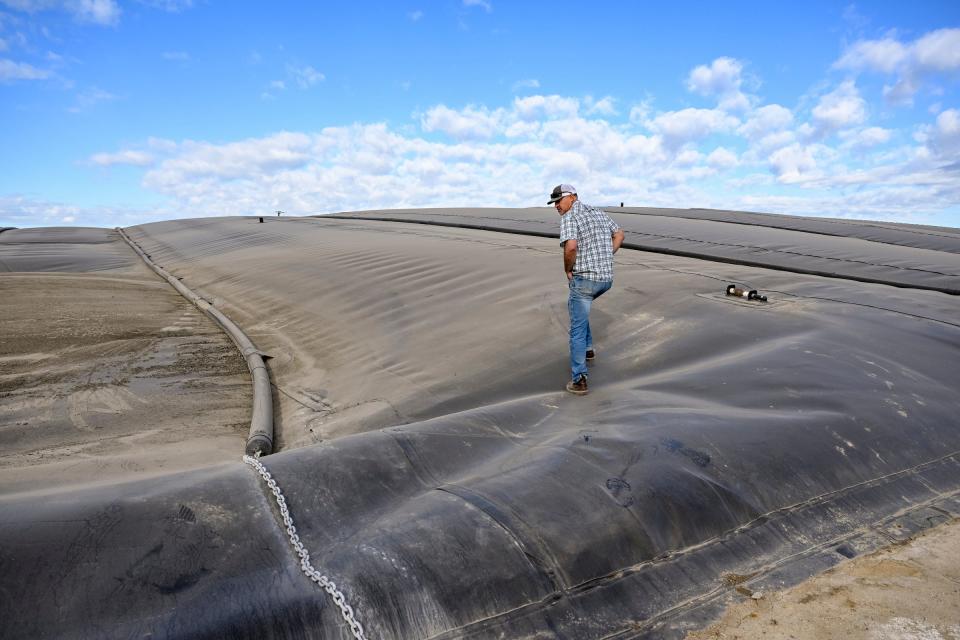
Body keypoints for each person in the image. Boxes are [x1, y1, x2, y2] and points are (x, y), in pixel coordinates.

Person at [548, 184, 624, 395]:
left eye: (558, 200)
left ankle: (579, 380)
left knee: (577, 328)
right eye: (554, 202)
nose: (556, 206)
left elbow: (571, 247)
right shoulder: (598, 212)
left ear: (572, 197)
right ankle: (589, 351)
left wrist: (568, 269)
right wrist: (606, 256)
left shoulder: (570, 217)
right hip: (606, 280)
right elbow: (619, 234)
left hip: (585, 280)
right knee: (582, 309)